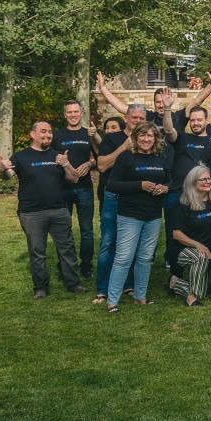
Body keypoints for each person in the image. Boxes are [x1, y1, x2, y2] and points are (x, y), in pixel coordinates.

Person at [0, 121, 85, 298]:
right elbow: (8, 176)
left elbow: (74, 179)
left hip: (58, 210)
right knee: (37, 251)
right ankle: (40, 288)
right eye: (43, 132)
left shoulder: (58, 155)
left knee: (67, 248)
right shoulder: (21, 156)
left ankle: (73, 284)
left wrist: (66, 164)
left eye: (50, 132)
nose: (48, 135)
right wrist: (1, 169)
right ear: (33, 134)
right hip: (31, 212)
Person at [105, 122, 171, 313]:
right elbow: (112, 184)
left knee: (145, 258)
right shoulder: (126, 157)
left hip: (153, 216)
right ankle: (112, 301)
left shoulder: (161, 157)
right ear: (135, 138)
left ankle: (140, 297)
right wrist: (139, 185)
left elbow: (169, 180)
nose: (146, 139)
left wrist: (165, 188)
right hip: (130, 215)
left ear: (156, 139)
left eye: (150, 136)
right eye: (142, 135)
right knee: (124, 258)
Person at [94, 106, 146, 303]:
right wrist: (124, 147)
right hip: (114, 197)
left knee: (132, 244)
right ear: (126, 118)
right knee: (109, 242)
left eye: (142, 118)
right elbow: (101, 166)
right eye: (134, 117)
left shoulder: (147, 141)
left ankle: (129, 285)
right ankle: (102, 289)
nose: (138, 121)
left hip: (135, 197)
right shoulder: (112, 139)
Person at [165, 106, 211, 283]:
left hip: (204, 195)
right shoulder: (183, 138)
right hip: (178, 194)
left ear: (206, 120)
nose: (195, 123)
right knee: (174, 234)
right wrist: (168, 109)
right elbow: (169, 131)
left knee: (205, 230)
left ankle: (205, 268)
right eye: (192, 120)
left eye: (199, 119)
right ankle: (176, 275)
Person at [53, 100, 97, 277]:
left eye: (76, 112)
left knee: (86, 230)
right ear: (65, 114)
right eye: (69, 112)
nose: (73, 115)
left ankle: (86, 265)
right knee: (63, 229)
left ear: (82, 113)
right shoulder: (57, 136)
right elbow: (52, 158)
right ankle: (65, 264)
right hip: (62, 188)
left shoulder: (89, 133)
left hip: (84, 188)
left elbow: (99, 157)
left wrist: (89, 163)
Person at [169, 165, 211, 307]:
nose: (207, 182)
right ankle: (192, 297)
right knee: (201, 256)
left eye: (209, 179)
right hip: (183, 248)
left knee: (203, 255)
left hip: (209, 248)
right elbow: (176, 234)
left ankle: (175, 283)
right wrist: (197, 245)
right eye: (203, 179)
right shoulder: (184, 204)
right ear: (193, 183)